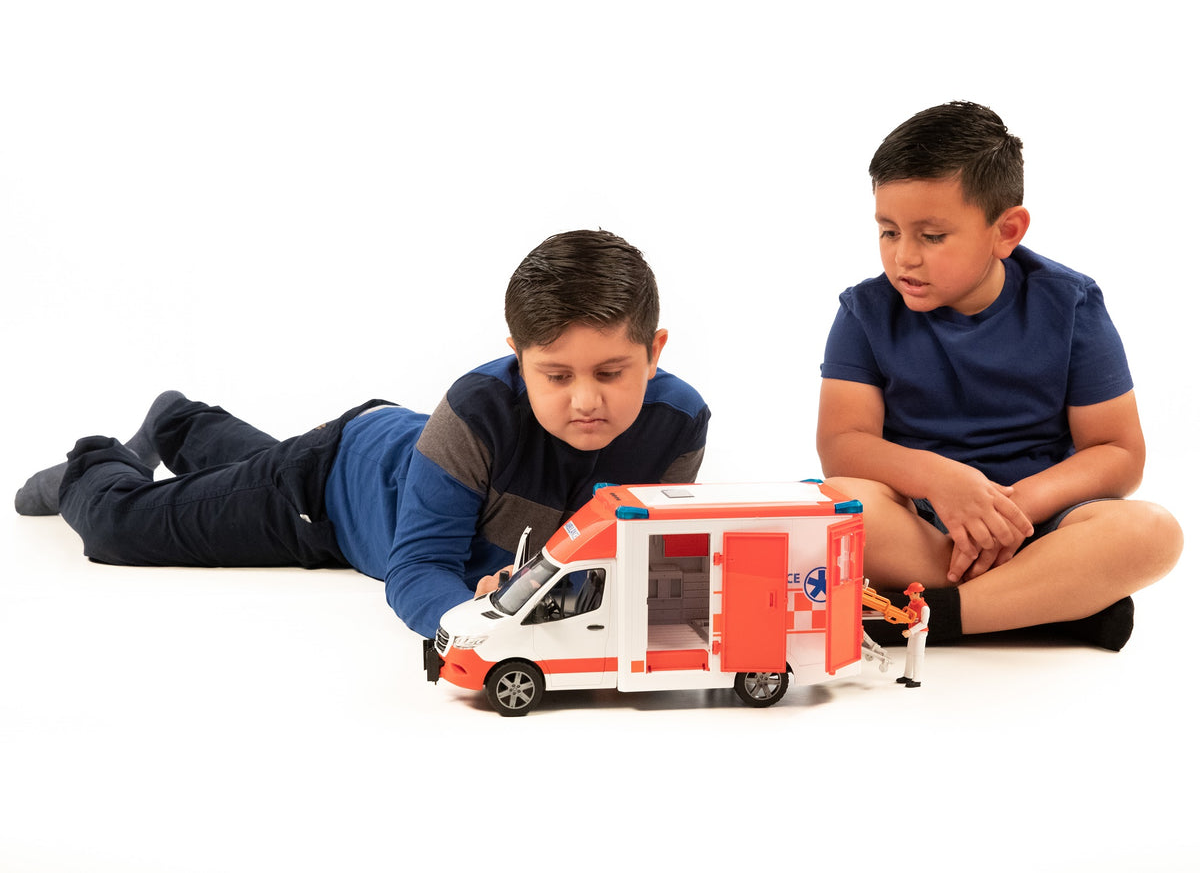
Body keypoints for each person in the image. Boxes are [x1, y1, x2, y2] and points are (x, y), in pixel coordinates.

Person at [14, 229, 710, 639]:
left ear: (654, 351)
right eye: (555, 376)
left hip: (396, 459)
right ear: (517, 358)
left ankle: (182, 423)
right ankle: (91, 467)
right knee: (120, 529)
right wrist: (484, 619)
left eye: (612, 372)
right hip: (323, 491)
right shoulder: (475, 414)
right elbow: (417, 569)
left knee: (243, 473)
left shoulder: (679, 426)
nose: (586, 401)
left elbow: (633, 558)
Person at [817, 101, 1182, 651]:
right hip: (922, 526)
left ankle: (929, 616)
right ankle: (1044, 606)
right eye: (889, 232)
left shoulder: (1070, 303)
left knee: (1153, 532)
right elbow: (843, 446)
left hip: (1037, 526)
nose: (903, 258)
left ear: (1006, 231)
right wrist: (941, 482)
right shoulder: (864, 312)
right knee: (838, 503)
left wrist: (1009, 510)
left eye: (931, 236)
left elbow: (1119, 452)